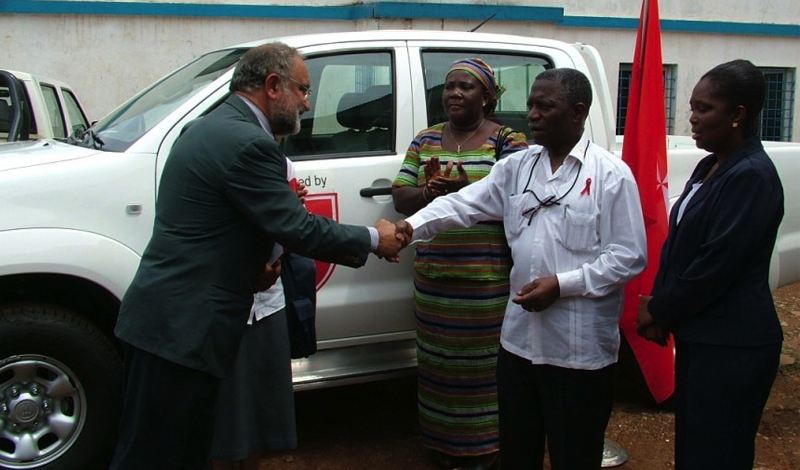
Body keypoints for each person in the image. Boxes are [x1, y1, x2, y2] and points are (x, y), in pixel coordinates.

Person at [108, 42, 404, 470]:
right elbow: (297, 228)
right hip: (180, 333)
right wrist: (374, 238)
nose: (307, 101)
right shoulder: (250, 144)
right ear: (272, 85)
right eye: (302, 89)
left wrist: (250, 272)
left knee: (175, 450)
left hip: (170, 326)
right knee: (155, 456)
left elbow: (208, 230)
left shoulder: (208, 127)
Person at [395, 68, 647, 470]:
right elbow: (463, 204)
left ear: (578, 112)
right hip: (519, 345)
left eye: (545, 106)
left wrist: (562, 285)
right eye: (530, 104)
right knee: (518, 450)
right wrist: (410, 227)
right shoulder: (518, 167)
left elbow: (629, 255)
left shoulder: (610, 175)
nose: (532, 114)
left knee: (574, 454)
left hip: (577, 350)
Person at [636, 59, 784, 470]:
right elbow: (681, 244)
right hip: (705, 337)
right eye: (692, 107)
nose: (693, 119)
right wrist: (661, 304)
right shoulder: (711, 165)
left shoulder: (751, 176)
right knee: (697, 448)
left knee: (717, 453)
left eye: (705, 109)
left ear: (738, 115)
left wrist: (659, 309)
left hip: (734, 346)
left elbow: (715, 265)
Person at [392, 58, 528, 470]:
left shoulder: (508, 141)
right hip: (434, 279)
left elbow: (523, 200)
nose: (454, 93)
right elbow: (400, 196)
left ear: (486, 96)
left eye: (465, 87)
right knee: (438, 361)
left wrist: (467, 189)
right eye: (449, 86)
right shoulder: (425, 139)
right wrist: (430, 192)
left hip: (486, 281)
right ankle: (441, 443)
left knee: (483, 365)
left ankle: (484, 449)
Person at [209, 156, 314, 470]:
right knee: (224, 418)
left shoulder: (282, 165)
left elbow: (294, 237)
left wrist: (290, 214)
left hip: (267, 306)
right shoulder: (213, 161)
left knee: (259, 415)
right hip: (224, 305)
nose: (304, 104)